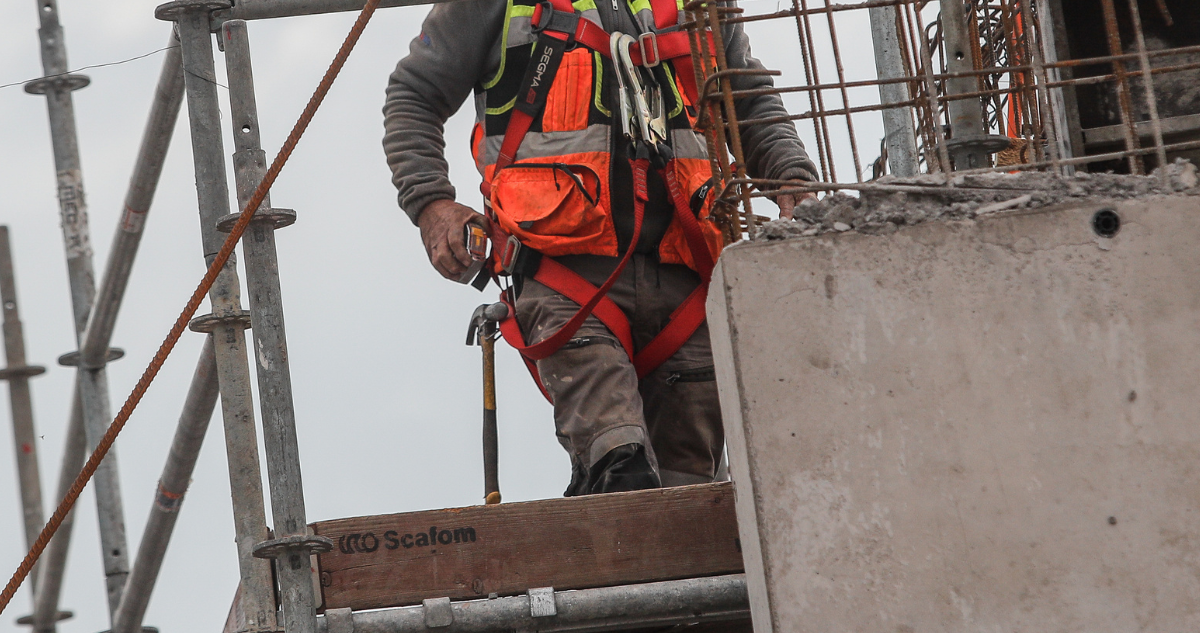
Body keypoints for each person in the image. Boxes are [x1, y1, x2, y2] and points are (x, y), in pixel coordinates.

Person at [383, 0, 818, 496]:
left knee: (693, 496)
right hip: (566, 279)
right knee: (622, 471)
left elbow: (747, 97)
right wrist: (432, 204)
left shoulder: (697, 3)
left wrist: (791, 179)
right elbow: (414, 94)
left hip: (688, 284)